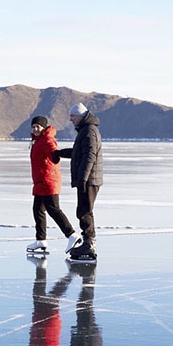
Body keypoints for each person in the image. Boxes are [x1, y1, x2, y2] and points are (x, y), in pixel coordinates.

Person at [56, 103, 103, 259]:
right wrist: (60, 153)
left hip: (89, 179)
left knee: (84, 211)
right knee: (83, 210)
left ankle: (89, 244)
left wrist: (83, 178)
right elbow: (79, 153)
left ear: (81, 116)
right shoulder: (85, 131)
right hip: (88, 178)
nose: (70, 119)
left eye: (72, 116)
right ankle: (88, 243)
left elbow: (90, 156)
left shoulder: (89, 131)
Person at [26, 116, 78, 254]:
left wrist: (57, 155)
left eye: (38, 126)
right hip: (40, 183)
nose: (35, 129)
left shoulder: (47, 140)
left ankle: (72, 235)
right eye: (33, 127)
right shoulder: (38, 141)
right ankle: (40, 240)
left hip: (48, 182)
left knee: (53, 209)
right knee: (38, 210)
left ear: (44, 128)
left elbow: (53, 152)